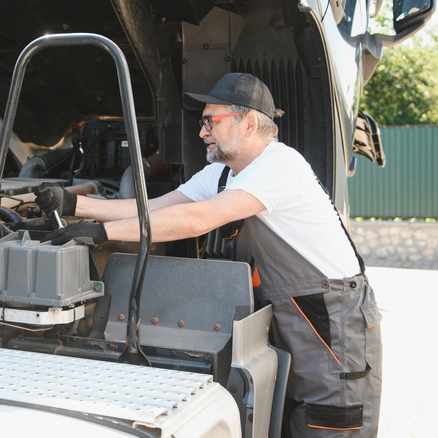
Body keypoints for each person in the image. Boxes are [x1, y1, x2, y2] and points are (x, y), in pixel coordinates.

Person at [34, 72, 383, 437]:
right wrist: (73, 203)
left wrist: (102, 233)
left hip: (332, 317)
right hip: (294, 312)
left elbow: (197, 219)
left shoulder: (279, 165)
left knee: (329, 422)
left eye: (210, 121)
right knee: (288, 419)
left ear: (248, 123)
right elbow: (151, 209)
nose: (202, 132)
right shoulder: (222, 174)